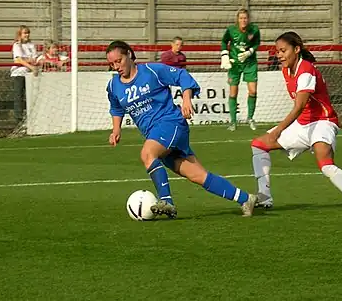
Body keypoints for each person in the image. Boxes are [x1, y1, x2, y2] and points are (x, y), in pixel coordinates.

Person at [106, 40, 257, 218]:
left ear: (129, 55)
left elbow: (182, 77)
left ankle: (167, 202)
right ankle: (246, 198)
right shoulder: (113, 85)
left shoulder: (152, 71)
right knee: (198, 176)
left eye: (119, 61)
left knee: (147, 154)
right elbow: (116, 107)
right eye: (111, 64)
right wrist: (116, 129)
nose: (116, 66)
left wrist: (186, 99)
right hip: (156, 134)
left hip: (170, 124)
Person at [250, 31, 342, 213]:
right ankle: (264, 197)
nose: (279, 55)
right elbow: (301, 109)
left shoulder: (306, 70)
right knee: (258, 145)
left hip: (322, 122)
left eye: (283, 50)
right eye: (277, 51)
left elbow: (300, 105)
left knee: (325, 162)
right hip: (303, 124)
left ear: (297, 49)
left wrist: (279, 130)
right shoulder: (286, 70)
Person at [220, 8, 260, 131]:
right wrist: (225, 55)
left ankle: (250, 118)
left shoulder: (254, 30)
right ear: (237, 19)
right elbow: (224, 41)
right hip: (235, 64)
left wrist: (250, 51)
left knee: (252, 91)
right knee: (233, 92)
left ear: (248, 19)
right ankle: (233, 121)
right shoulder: (231, 30)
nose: (243, 20)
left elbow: (257, 43)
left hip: (249, 62)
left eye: (245, 18)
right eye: (241, 18)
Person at [10, 25, 38, 124]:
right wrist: (30, 65)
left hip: (29, 74)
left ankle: (32, 116)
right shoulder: (17, 45)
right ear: (20, 34)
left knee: (32, 95)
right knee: (19, 96)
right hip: (19, 73)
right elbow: (19, 59)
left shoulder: (31, 45)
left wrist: (29, 61)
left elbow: (34, 59)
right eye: (24, 33)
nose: (26, 35)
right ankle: (19, 119)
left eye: (28, 33)